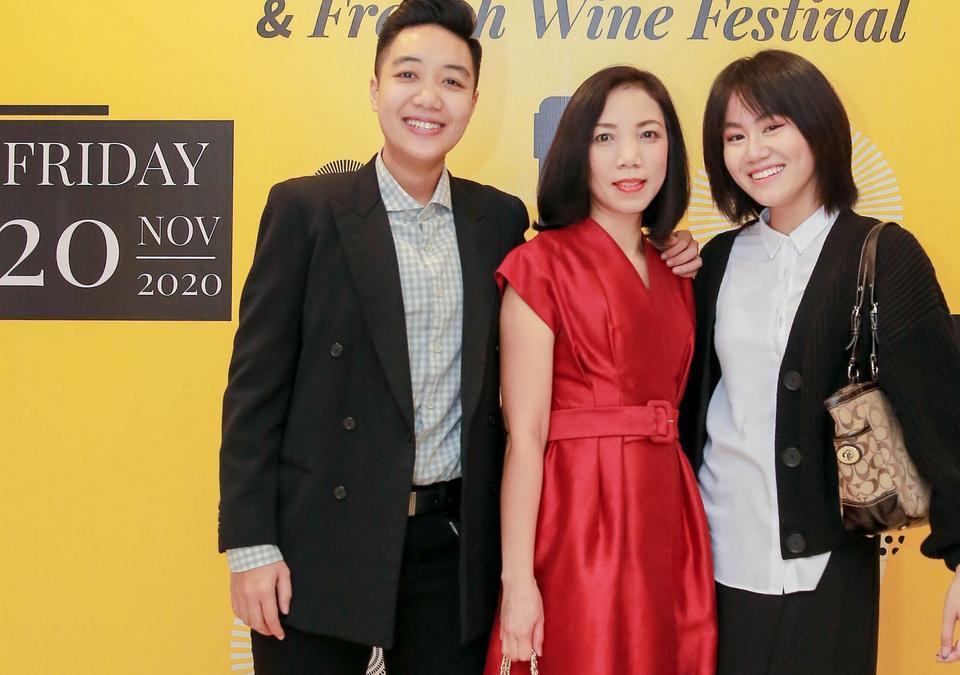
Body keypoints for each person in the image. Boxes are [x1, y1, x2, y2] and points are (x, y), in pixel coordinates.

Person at [216, 1, 701, 672]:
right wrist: (250, 545)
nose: (428, 98)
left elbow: (591, 277)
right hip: (319, 540)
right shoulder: (306, 210)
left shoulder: (496, 220)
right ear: (375, 88)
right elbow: (255, 392)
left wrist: (673, 247)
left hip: (451, 545)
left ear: (474, 99)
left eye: (451, 81)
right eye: (407, 75)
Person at [680, 49, 960, 674]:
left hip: (826, 568)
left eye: (773, 126)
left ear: (819, 129)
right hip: (711, 562)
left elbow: (942, 408)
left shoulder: (882, 254)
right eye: (734, 136)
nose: (754, 151)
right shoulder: (715, 261)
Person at [484, 66, 718, 675]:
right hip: (580, 515)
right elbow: (525, 438)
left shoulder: (678, 272)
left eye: (648, 134)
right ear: (576, 152)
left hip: (669, 515)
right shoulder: (539, 266)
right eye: (605, 137)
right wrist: (518, 580)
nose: (629, 157)